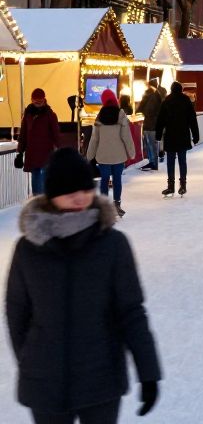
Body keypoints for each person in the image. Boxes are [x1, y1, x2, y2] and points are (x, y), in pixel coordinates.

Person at [6, 148, 161, 422]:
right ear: (52, 196)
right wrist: (32, 360)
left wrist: (148, 373)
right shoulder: (29, 248)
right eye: (68, 191)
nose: (79, 197)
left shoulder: (112, 245)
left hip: (100, 381)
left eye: (84, 188)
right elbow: (17, 313)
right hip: (46, 383)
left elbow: (131, 312)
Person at [86, 89, 137, 218]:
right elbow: (126, 136)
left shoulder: (100, 116)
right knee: (117, 180)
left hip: (103, 156)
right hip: (119, 155)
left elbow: (94, 138)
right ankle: (117, 204)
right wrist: (131, 153)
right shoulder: (121, 114)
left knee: (104, 180)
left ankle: (103, 207)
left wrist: (89, 155)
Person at [155, 82, 200, 197]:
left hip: (170, 135)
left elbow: (160, 120)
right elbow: (192, 120)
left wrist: (158, 135)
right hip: (183, 135)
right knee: (182, 161)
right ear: (181, 89)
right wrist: (196, 136)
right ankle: (183, 185)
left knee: (170, 161)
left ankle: (171, 186)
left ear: (171, 89)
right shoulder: (186, 101)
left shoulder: (166, 101)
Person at [16, 87, 61, 195]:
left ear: (44, 100)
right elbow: (23, 134)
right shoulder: (28, 115)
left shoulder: (50, 115)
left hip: (46, 151)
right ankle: (37, 199)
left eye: (40, 101)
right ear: (32, 100)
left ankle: (44, 200)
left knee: (45, 176)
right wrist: (20, 152)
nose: (38, 104)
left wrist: (60, 151)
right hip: (32, 151)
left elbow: (56, 134)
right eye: (36, 101)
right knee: (35, 175)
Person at [138, 80, 163, 171]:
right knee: (151, 144)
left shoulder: (152, 95)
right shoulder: (156, 94)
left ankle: (153, 163)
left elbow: (149, 110)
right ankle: (152, 162)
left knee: (151, 144)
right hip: (153, 124)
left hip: (151, 124)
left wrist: (142, 110)